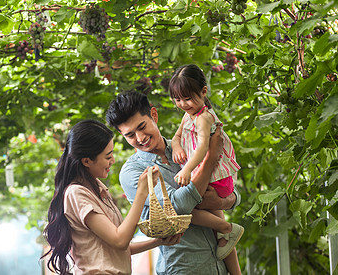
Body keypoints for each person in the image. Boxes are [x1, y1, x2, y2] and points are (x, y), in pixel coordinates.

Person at [106, 89, 242, 275]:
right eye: (130, 135)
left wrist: (223, 202)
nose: (140, 138)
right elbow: (178, 205)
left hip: (221, 266)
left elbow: (226, 186)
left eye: (142, 126)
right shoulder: (133, 172)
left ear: (154, 114)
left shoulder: (188, 145)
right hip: (184, 268)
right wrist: (210, 160)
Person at [41, 119, 181, 275]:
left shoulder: (98, 188)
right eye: (108, 157)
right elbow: (120, 240)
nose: (112, 161)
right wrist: (142, 192)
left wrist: (159, 242)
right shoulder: (76, 193)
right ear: (86, 161)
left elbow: (117, 249)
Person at [169, 64, 244, 262]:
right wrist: (177, 148)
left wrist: (186, 169)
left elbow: (203, 148)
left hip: (218, 176)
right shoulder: (189, 115)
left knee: (187, 207)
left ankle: (226, 229)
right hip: (207, 173)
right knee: (199, 207)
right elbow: (176, 137)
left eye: (187, 98)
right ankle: (224, 235)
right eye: (177, 100)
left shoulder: (203, 118)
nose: (183, 104)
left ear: (203, 92)